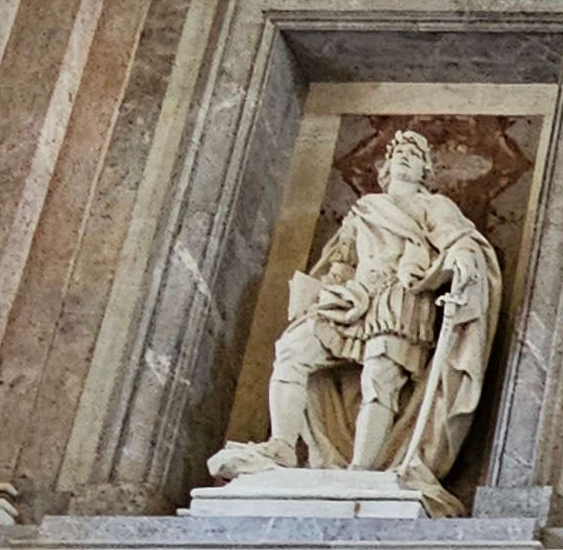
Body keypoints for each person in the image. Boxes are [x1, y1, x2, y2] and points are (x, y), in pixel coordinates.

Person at [212, 127, 501, 495]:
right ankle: (282, 444)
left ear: (426, 170)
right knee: (291, 351)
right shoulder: (364, 208)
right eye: (399, 153)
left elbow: (460, 242)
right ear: (386, 166)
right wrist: (331, 289)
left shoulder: (434, 206)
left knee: (379, 381)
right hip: (354, 297)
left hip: (400, 300)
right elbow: (343, 259)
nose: (405, 157)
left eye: (414, 155)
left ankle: (360, 471)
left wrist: (459, 261)